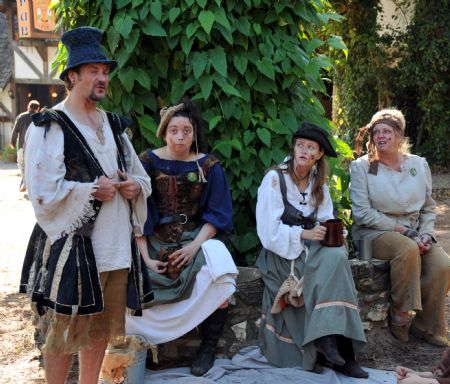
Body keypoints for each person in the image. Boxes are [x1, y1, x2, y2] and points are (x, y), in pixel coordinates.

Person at [19, 27, 152, 384]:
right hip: (72, 249)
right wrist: (92, 190)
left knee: (101, 328)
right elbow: (43, 192)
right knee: (62, 332)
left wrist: (130, 186)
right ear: (72, 76)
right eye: (93, 70)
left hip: (113, 247)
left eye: (105, 71)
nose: (103, 77)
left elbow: (142, 178)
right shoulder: (50, 126)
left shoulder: (113, 125)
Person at [125, 98, 237, 377]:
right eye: (174, 130)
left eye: (186, 130)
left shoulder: (209, 166)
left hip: (196, 238)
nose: (180, 137)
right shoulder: (147, 163)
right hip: (152, 241)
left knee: (219, 274)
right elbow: (137, 214)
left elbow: (218, 215)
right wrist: (147, 259)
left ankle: (207, 348)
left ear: (194, 133)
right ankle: (144, 346)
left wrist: (192, 249)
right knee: (131, 282)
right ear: (164, 131)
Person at [255, 122, 368, 378]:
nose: (304, 151)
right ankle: (333, 345)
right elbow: (267, 232)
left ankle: (337, 346)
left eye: (311, 148)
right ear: (294, 148)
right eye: (300, 145)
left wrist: (331, 229)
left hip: (310, 248)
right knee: (331, 266)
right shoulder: (275, 179)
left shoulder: (319, 183)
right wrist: (303, 234)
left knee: (338, 256)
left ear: (318, 155)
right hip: (282, 252)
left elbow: (325, 216)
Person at [350, 108, 450, 346]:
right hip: (374, 232)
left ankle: (426, 327)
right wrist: (406, 232)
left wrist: (425, 234)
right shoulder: (362, 167)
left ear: (399, 136)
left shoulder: (418, 164)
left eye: (387, 131)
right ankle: (400, 316)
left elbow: (428, 206)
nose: (381, 136)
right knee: (406, 248)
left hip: (415, 232)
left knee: (442, 264)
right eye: (376, 132)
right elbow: (362, 213)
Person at [9, 99, 40, 192]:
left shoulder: (21, 117)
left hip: (22, 145)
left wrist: (12, 142)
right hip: (35, 146)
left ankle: (25, 182)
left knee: (22, 165)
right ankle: (29, 184)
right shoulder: (39, 117)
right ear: (38, 108)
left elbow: (15, 131)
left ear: (28, 107)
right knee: (33, 166)